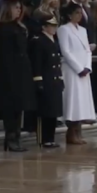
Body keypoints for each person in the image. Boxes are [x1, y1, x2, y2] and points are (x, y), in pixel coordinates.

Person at [0, 0, 36, 152]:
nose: (18, 10)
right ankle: (10, 138)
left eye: (20, 8)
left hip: (22, 70)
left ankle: (16, 137)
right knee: (10, 106)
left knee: (20, 106)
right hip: (7, 71)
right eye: (15, 8)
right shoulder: (1, 28)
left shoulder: (20, 27)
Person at [58, 2, 96, 145]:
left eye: (80, 13)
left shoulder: (83, 30)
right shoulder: (63, 29)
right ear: (69, 15)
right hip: (72, 70)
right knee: (73, 100)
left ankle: (79, 130)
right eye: (76, 13)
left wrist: (87, 66)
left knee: (82, 101)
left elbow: (87, 50)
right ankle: (71, 131)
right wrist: (78, 68)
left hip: (84, 70)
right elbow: (66, 51)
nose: (79, 16)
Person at [29, 15, 63, 149]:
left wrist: (60, 79)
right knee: (45, 112)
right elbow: (37, 63)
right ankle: (44, 139)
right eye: (51, 26)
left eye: (55, 26)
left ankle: (50, 138)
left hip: (54, 79)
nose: (54, 28)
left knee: (53, 111)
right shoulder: (39, 41)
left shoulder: (53, 40)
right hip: (45, 79)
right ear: (44, 27)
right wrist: (38, 81)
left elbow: (56, 63)